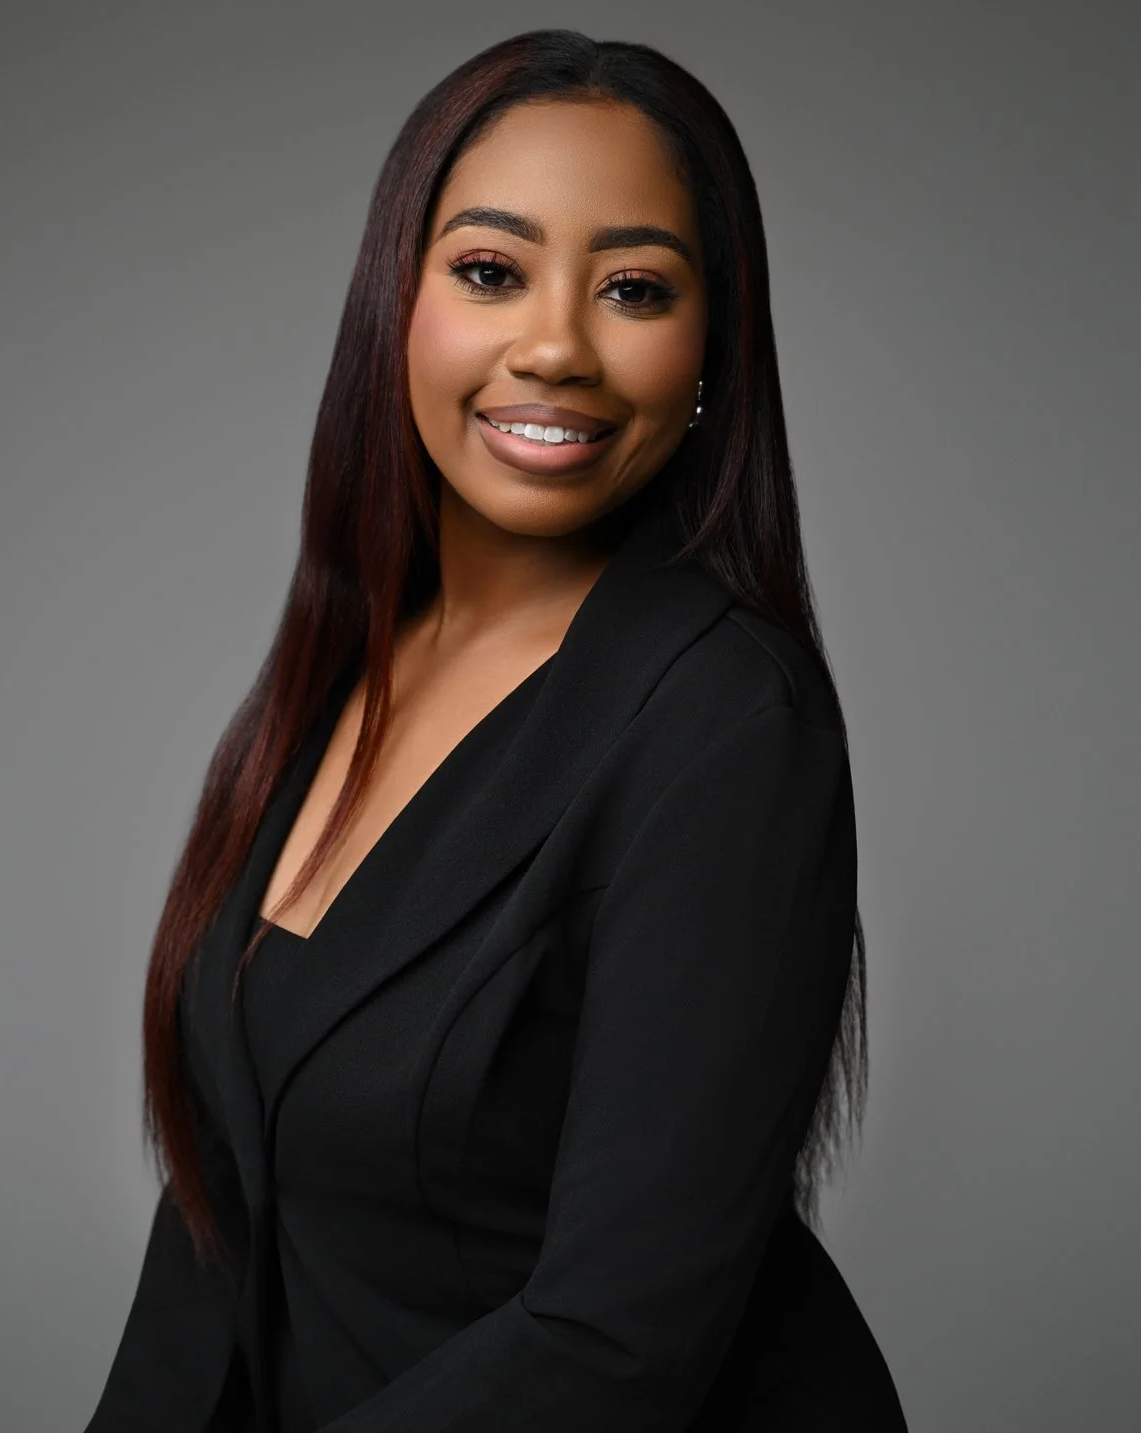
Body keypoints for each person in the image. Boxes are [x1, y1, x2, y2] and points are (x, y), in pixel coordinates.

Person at [85, 27, 909, 1433]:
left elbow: (609, 1346)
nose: (553, 344)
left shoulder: (723, 722)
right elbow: (226, 1209)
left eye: (634, 289)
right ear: (394, 305)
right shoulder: (348, 666)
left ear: (709, 350)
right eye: (488, 270)